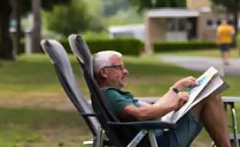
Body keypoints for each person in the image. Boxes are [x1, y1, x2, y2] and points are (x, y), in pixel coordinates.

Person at [93, 50, 231, 147]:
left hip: (156, 136)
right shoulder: (109, 94)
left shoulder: (112, 95)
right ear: (104, 72)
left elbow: (152, 109)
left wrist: (177, 87)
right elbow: (141, 115)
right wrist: (174, 106)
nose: (125, 71)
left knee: (208, 96)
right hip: (159, 142)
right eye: (119, 67)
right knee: (210, 97)